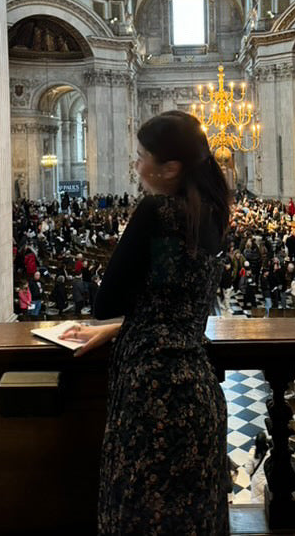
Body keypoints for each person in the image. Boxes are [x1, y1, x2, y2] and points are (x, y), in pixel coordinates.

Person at [59, 110, 231, 534]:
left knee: (139, 517)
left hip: (151, 392)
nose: (136, 165)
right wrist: (112, 330)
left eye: (141, 157)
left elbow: (106, 300)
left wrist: (109, 321)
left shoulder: (155, 212)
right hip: (199, 391)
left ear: (169, 168)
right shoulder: (211, 214)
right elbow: (174, 308)